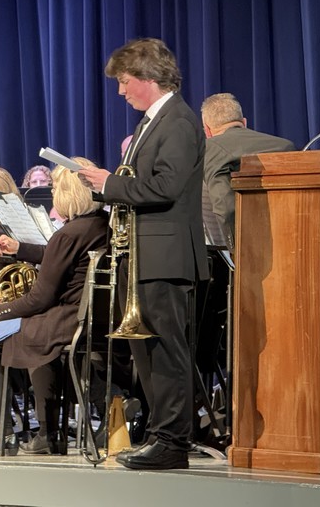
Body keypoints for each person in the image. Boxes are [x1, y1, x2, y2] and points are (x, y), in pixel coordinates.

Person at [77, 38, 209, 470]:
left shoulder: (178, 121)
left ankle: (172, 442)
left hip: (165, 257)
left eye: (125, 81)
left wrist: (108, 184)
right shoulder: (156, 121)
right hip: (143, 255)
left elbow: (166, 187)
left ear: (150, 79)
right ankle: (160, 435)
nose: (120, 91)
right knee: (147, 352)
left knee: (166, 352)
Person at [0, 159, 108, 456]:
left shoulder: (67, 234)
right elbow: (59, 257)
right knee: (29, 332)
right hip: (87, 318)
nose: (53, 193)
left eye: (55, 188)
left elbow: (39, 299)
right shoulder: (98, 225)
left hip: (61, 320)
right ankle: (47, 431)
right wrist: (21, 249)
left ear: (67, 194)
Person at [201, 92, 296, 250]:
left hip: (234, 251)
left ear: (208, 130)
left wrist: (237, 251)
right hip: (290, 244)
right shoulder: (285, 147)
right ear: (244, 122)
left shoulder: (208, 150)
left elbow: (226, 207)